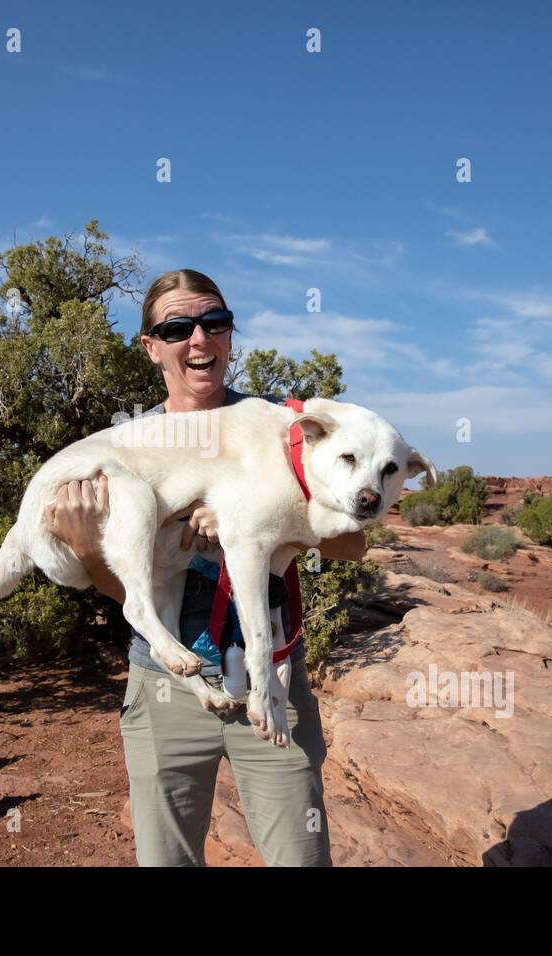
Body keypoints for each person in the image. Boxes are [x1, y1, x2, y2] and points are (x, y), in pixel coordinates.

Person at [44, 269, 365, 866]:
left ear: (229, 336)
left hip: (274, 681)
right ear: (151, 348)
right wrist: (89, 548)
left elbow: (352, 546)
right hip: (166, 686)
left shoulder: (284, 430)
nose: (199, 338)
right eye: (177, 327)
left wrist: (257, 526)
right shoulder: (130, 451)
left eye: (214, 322)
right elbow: (128, 595)